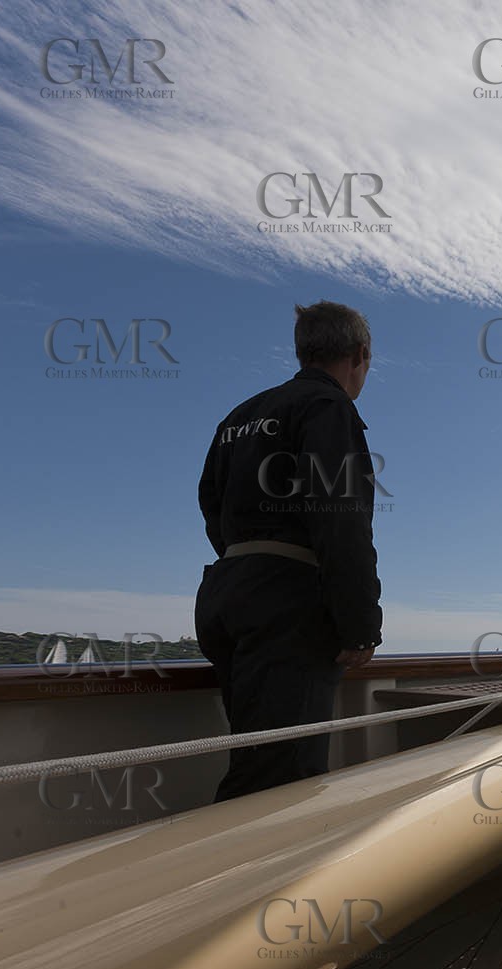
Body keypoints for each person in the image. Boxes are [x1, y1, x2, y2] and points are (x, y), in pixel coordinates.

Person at [195, 301, 383, 801]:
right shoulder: (327, 408)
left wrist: (251, 563)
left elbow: (211, 505)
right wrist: (360, 623)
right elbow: (341, 520)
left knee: (256, 755)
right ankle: (235, 877)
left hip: (226, 594)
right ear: (360, 354)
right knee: (277, 781)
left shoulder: (240, 415)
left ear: (303, 350)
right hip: (285, 608)